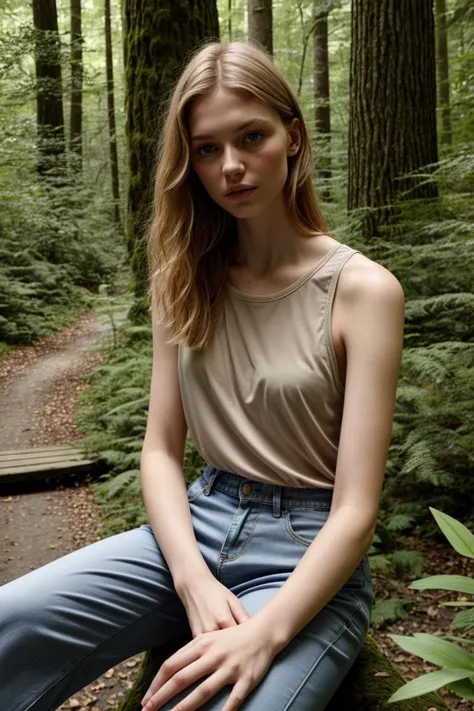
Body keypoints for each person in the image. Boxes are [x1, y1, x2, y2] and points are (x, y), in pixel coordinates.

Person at [0, 41, 405, 711]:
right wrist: (191, 579)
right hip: (193, 527)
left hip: (307, 558)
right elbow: (161, 449)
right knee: (11, 619)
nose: (232, 167)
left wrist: (265, 634)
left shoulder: (363, 291)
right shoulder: (184, 279)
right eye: (208, 149)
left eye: (251, 137)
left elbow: (357, 509)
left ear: (293, 137)